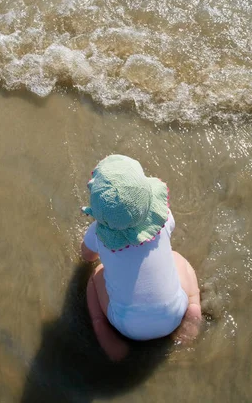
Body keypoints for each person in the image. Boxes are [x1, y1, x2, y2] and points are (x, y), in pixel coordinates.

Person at [81, 154, 202, 362]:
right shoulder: (163, 217)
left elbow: (87, 256)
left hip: (126, 326)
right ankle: (193, 307)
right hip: (174, 314)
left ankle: (102, 328)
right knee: (177, 258)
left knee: (95, 275)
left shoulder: (97, 234)